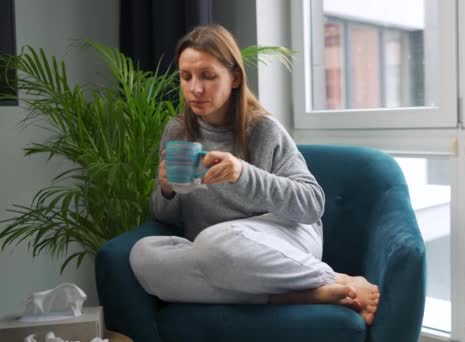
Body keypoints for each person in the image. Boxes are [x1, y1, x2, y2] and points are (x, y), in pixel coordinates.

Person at [129, 24, 380, 325]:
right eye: (186, 77)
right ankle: (302, 292)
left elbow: (312, 204)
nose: (195, 88)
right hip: (223, 256)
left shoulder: (263, 129)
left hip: (284, 237)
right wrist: (167, 189)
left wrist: (244, 174)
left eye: (208, 76)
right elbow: (166, 218)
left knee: (213, 244)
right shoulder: (177, 130)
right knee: (143, 255)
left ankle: (335, 279)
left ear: (234, 78)